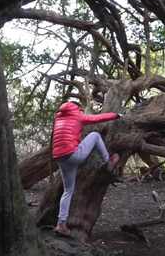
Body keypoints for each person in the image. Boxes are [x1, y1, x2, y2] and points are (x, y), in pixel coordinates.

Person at [51, 101, 121, 236]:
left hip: (60, 158)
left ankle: (61, 224)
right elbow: (97, 118)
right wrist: (116, 115)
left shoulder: (59, 118)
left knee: (68, 191)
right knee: (95, 136)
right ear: (77, 109)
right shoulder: (77, 115)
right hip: (73, 155)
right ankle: (108, 161)